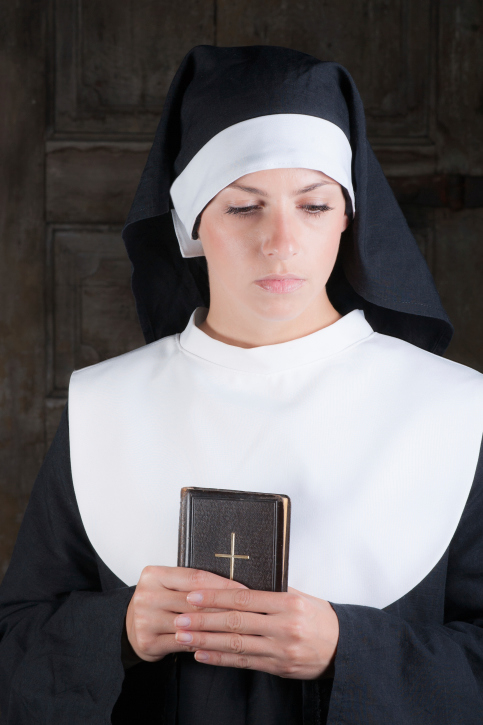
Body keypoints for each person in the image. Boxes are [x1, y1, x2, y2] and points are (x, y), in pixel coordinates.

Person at [1, 44, 483, 725]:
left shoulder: (451, 411)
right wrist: (121, 629)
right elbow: (14, 643)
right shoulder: (106, 405)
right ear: (193, 224)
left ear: (348, 216)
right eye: (243, 208)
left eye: (313, 205)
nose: (280, 241)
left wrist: (352, 648)